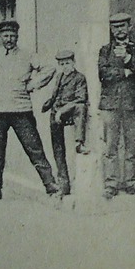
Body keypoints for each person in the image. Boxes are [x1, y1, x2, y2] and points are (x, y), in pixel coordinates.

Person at [0, 18, 61, 200]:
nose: (9, 38)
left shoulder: (27, 55)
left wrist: (33, 84)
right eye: (5, 35)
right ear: (0, 36)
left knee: (34, 148)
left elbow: (49, 69)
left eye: (12, 35)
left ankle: (50, 184)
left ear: (17, 36)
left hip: (21, 110)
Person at [96, 12, 135, 199]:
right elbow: (103, 75)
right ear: (111, 30)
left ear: (130, 28)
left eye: (122, 26)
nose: (119, 30)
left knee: (131, 146)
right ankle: (110, 184)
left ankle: (131, 183)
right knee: (110, 146)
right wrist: (127, 72)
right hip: (110, 104)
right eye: (115, 27)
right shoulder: (105, 51)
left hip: (132, 104)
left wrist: (129, 59)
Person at [41, 49, 89, 196]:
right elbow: (55, 95)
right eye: (62, 64)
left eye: (67, 63)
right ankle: (64, 186)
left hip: (68, 112)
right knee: (58, 151)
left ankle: (79, 142)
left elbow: (80, 99)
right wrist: (48, 104)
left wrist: (62, 110)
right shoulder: (59, 76)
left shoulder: (79, 78)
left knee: (81, 107)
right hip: (56, 113)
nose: (65, 66)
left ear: (73, 63)